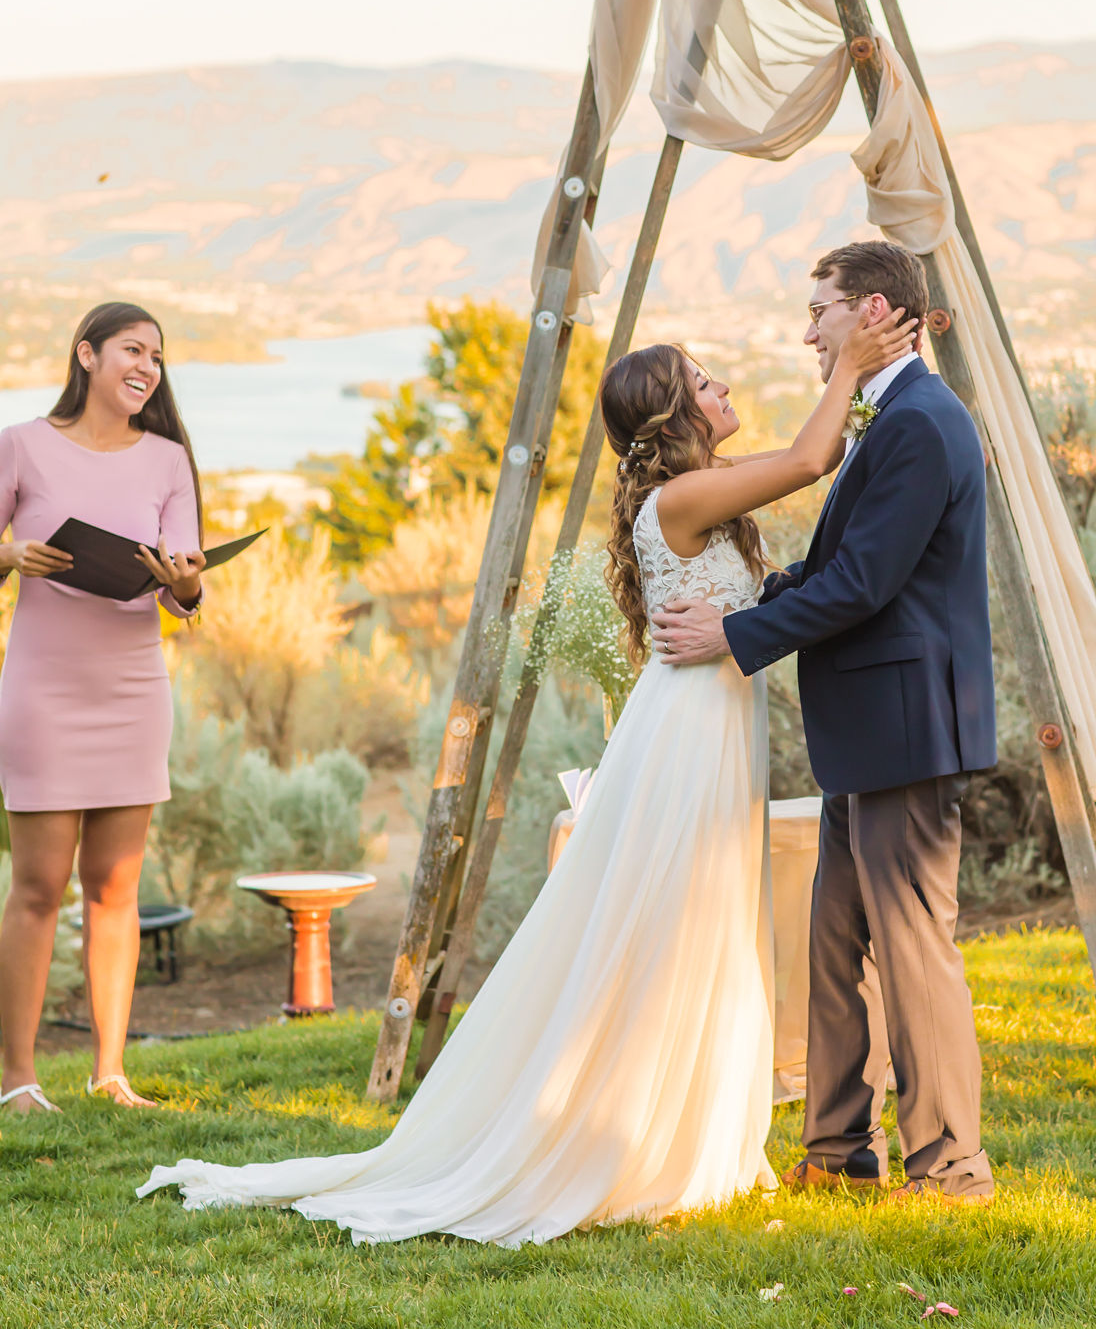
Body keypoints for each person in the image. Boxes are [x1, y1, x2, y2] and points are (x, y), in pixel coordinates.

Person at [137, 302, 916, 1246]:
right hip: (686, 736)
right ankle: (625, 1133)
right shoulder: (679, 500)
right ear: (672, 418)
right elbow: (804, 461)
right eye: (704, 382)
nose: (722, 390)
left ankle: (684, 1122)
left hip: (713, 723)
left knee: (706, 916)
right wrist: (855, 366)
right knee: (672, 918)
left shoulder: (697, 493)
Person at [654, 240, 998, 1204]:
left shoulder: (923, 423)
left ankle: (949, 1166)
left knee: (911, 945)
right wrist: (756, 594)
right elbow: (831, 564)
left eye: (820, 311)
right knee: (835, 940)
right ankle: (841, 1152)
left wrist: (735, 633)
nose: (808, 331)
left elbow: (865, 582)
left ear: (874, 311)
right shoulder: (885, 417)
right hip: (867, 727)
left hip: (906, 724)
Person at [0, 302, 206, 1117]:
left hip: (132, 685)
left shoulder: (166, 459)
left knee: (115, 887)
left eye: (157, 355)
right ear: (86, 354)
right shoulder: (19, 444)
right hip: (44, 689)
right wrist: (12, 553)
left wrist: (185, 582)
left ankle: (110, 1073)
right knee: (39, 886)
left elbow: (188, 582)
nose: (148, 366)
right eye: (133, 349)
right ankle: (17, 1079)